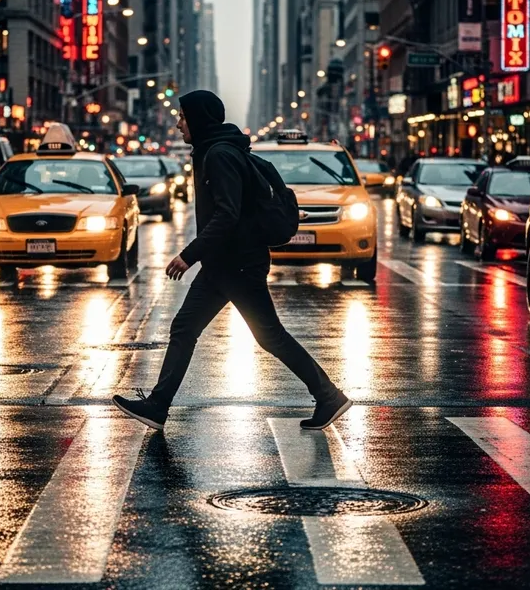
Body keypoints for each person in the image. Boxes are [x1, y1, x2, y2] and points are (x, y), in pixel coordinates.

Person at [112, 90, 351, 432]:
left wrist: (188, 255)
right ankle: (157, 406)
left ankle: (329, 395)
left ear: (198, 119)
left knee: (269, 335)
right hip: (224, 264)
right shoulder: (220, 150)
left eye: (183, 117)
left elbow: (227, 215)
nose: (178, 123)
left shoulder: (220, 155)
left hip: (237, 263)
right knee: (185, 328)